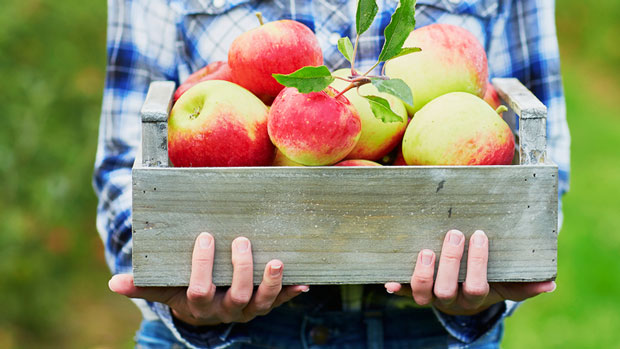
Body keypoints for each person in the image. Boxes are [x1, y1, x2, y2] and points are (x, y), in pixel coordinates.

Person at [94, 0, 570, 347]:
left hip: (426, 332)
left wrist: (488, 288)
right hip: (229, 338)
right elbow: (124, 161)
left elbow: (540, 165)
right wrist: (178, 291)